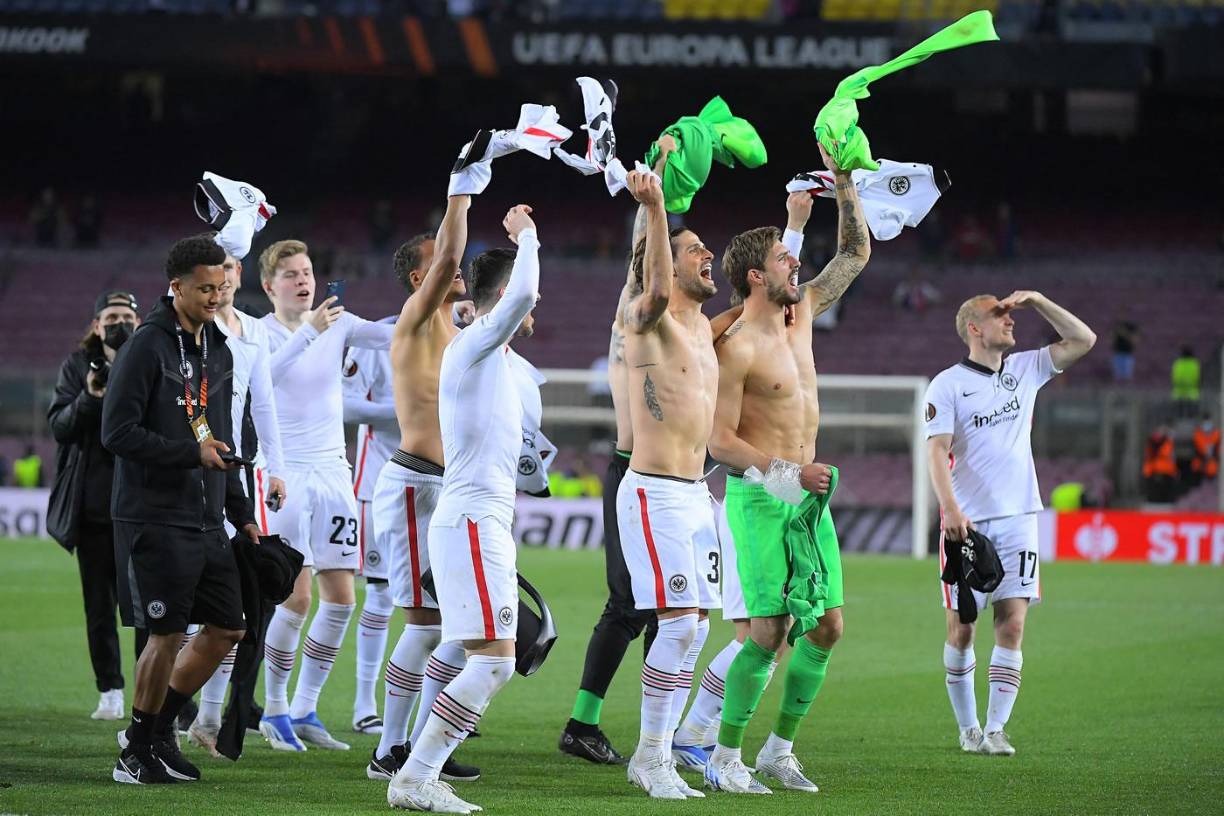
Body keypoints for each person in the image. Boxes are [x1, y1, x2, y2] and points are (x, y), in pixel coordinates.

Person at [703, 146, 870, 796]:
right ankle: (723, 757)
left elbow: (854, 256)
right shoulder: (735, 347)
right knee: (769, 632)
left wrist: (847, 184)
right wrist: (784, 472)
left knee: (827, 625)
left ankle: (778, 750)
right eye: (782, 258)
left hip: (808, 500)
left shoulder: (800, 320)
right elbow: (719, 441)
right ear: (753, 277)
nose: (794, 262)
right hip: (761, 496)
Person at [387, 204, 541, 814]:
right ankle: (414, 774)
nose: (533, 309)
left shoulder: (497, 360)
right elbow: (525, 288)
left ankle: (417, 771)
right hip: (471, 520)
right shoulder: (475, 342)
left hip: (483, 520)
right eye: (521, 301)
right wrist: (524, 235)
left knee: (480, 656)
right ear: (498, 298)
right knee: (494, 662)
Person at [102, 234, 261, 784]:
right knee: (165, 634)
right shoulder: (147, 346)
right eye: (204, 289)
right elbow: (116, 432)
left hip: (206, 515)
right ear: (176, 287)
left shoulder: (217, 347)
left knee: (228, 628)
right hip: (154, 513)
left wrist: (240, 509)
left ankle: (152, 732)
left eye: (222, 287)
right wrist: (189, 455)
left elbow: (214, 432)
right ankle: (136, 753)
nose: (215, 297)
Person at [926, 290, 1095, 756]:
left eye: (1010, 313)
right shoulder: (947, 384)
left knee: (1013, 625)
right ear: (974, 329)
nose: (1010, 320)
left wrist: (1039, 301)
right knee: (962, 628)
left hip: (1021, 517)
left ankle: (997, 728)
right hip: (968, 524)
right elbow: (936, 451)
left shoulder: (1026, 369)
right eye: (999, 315)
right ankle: (968, 728)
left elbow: (1083, 338)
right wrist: (951, 509)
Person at [559, 138, 675, 765]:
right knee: (633, 605)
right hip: (636, 473)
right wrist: (649, 204)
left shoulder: (686, 335)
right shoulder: (635, 328)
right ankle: (586, 723)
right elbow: (639, 273)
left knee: (670, 611)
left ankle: (664, 731)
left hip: (676, 481)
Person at [256, 239, 396, 752]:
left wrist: (445, 314)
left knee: (342, 599)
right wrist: (307, 335)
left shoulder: (338, 324)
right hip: (285, 474)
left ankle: (305, 706)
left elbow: (390, 335)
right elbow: (258, 387)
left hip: (334, 473)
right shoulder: (260, 334)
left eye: (307, 271)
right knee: (296, 595)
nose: (302, 280)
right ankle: (273, 710)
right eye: (290, 274)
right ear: (270, 286)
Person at [610, 170, 723, 800]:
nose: (708, 256)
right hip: (652, 491)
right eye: (694, 250)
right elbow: (650, 287)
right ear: (666, 266)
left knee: (697, 628)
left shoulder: (705, 327)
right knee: (678, 626)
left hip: (695, 493)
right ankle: (650, 756)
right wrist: (654, 208)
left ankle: (662, 749)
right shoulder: (645, 318)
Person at [367, 202, 479, 784]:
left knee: (457, 624)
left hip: (450, 487)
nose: (456, 269)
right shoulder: (413, 318)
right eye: (442, 265)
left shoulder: (453, 328)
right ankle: (390, 748)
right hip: (413, 484)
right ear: (419, 278)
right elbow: (451, 259)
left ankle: (421, 742)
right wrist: (461, 194)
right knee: (426, 624)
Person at [185, 252, 288, 756]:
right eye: (215, 270)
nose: (223, 279)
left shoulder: (251, 332)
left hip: (239, 479)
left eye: (230, 269)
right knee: (188, 613)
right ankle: (162, 715)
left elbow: (263, 403)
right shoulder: (185, 332)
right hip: (190, 477)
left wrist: (276, 468)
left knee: (240, 607)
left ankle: (208, 717)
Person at [47, 290, 144, 721]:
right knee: (99, 607)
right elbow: (59, 426)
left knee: (148, 606)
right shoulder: (75, 366)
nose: (118, 322)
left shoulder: (149, 359)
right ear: (96, 324)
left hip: (142, 504)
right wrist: (89, 396)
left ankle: (152, 694)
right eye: (111, 316)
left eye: (125, 315)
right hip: (93, 505)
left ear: (138, 321)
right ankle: (110, 690)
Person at [1110, 317, 1139, 383]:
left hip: (1127, 354)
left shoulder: (1131, 327)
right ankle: (1117, 390)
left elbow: (1135, 340)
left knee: (1127, 375)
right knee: (1117, 375)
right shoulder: (1118, 326)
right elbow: (1112, 338)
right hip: (1118, 353)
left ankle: (1127, 391)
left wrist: (1124, 334)